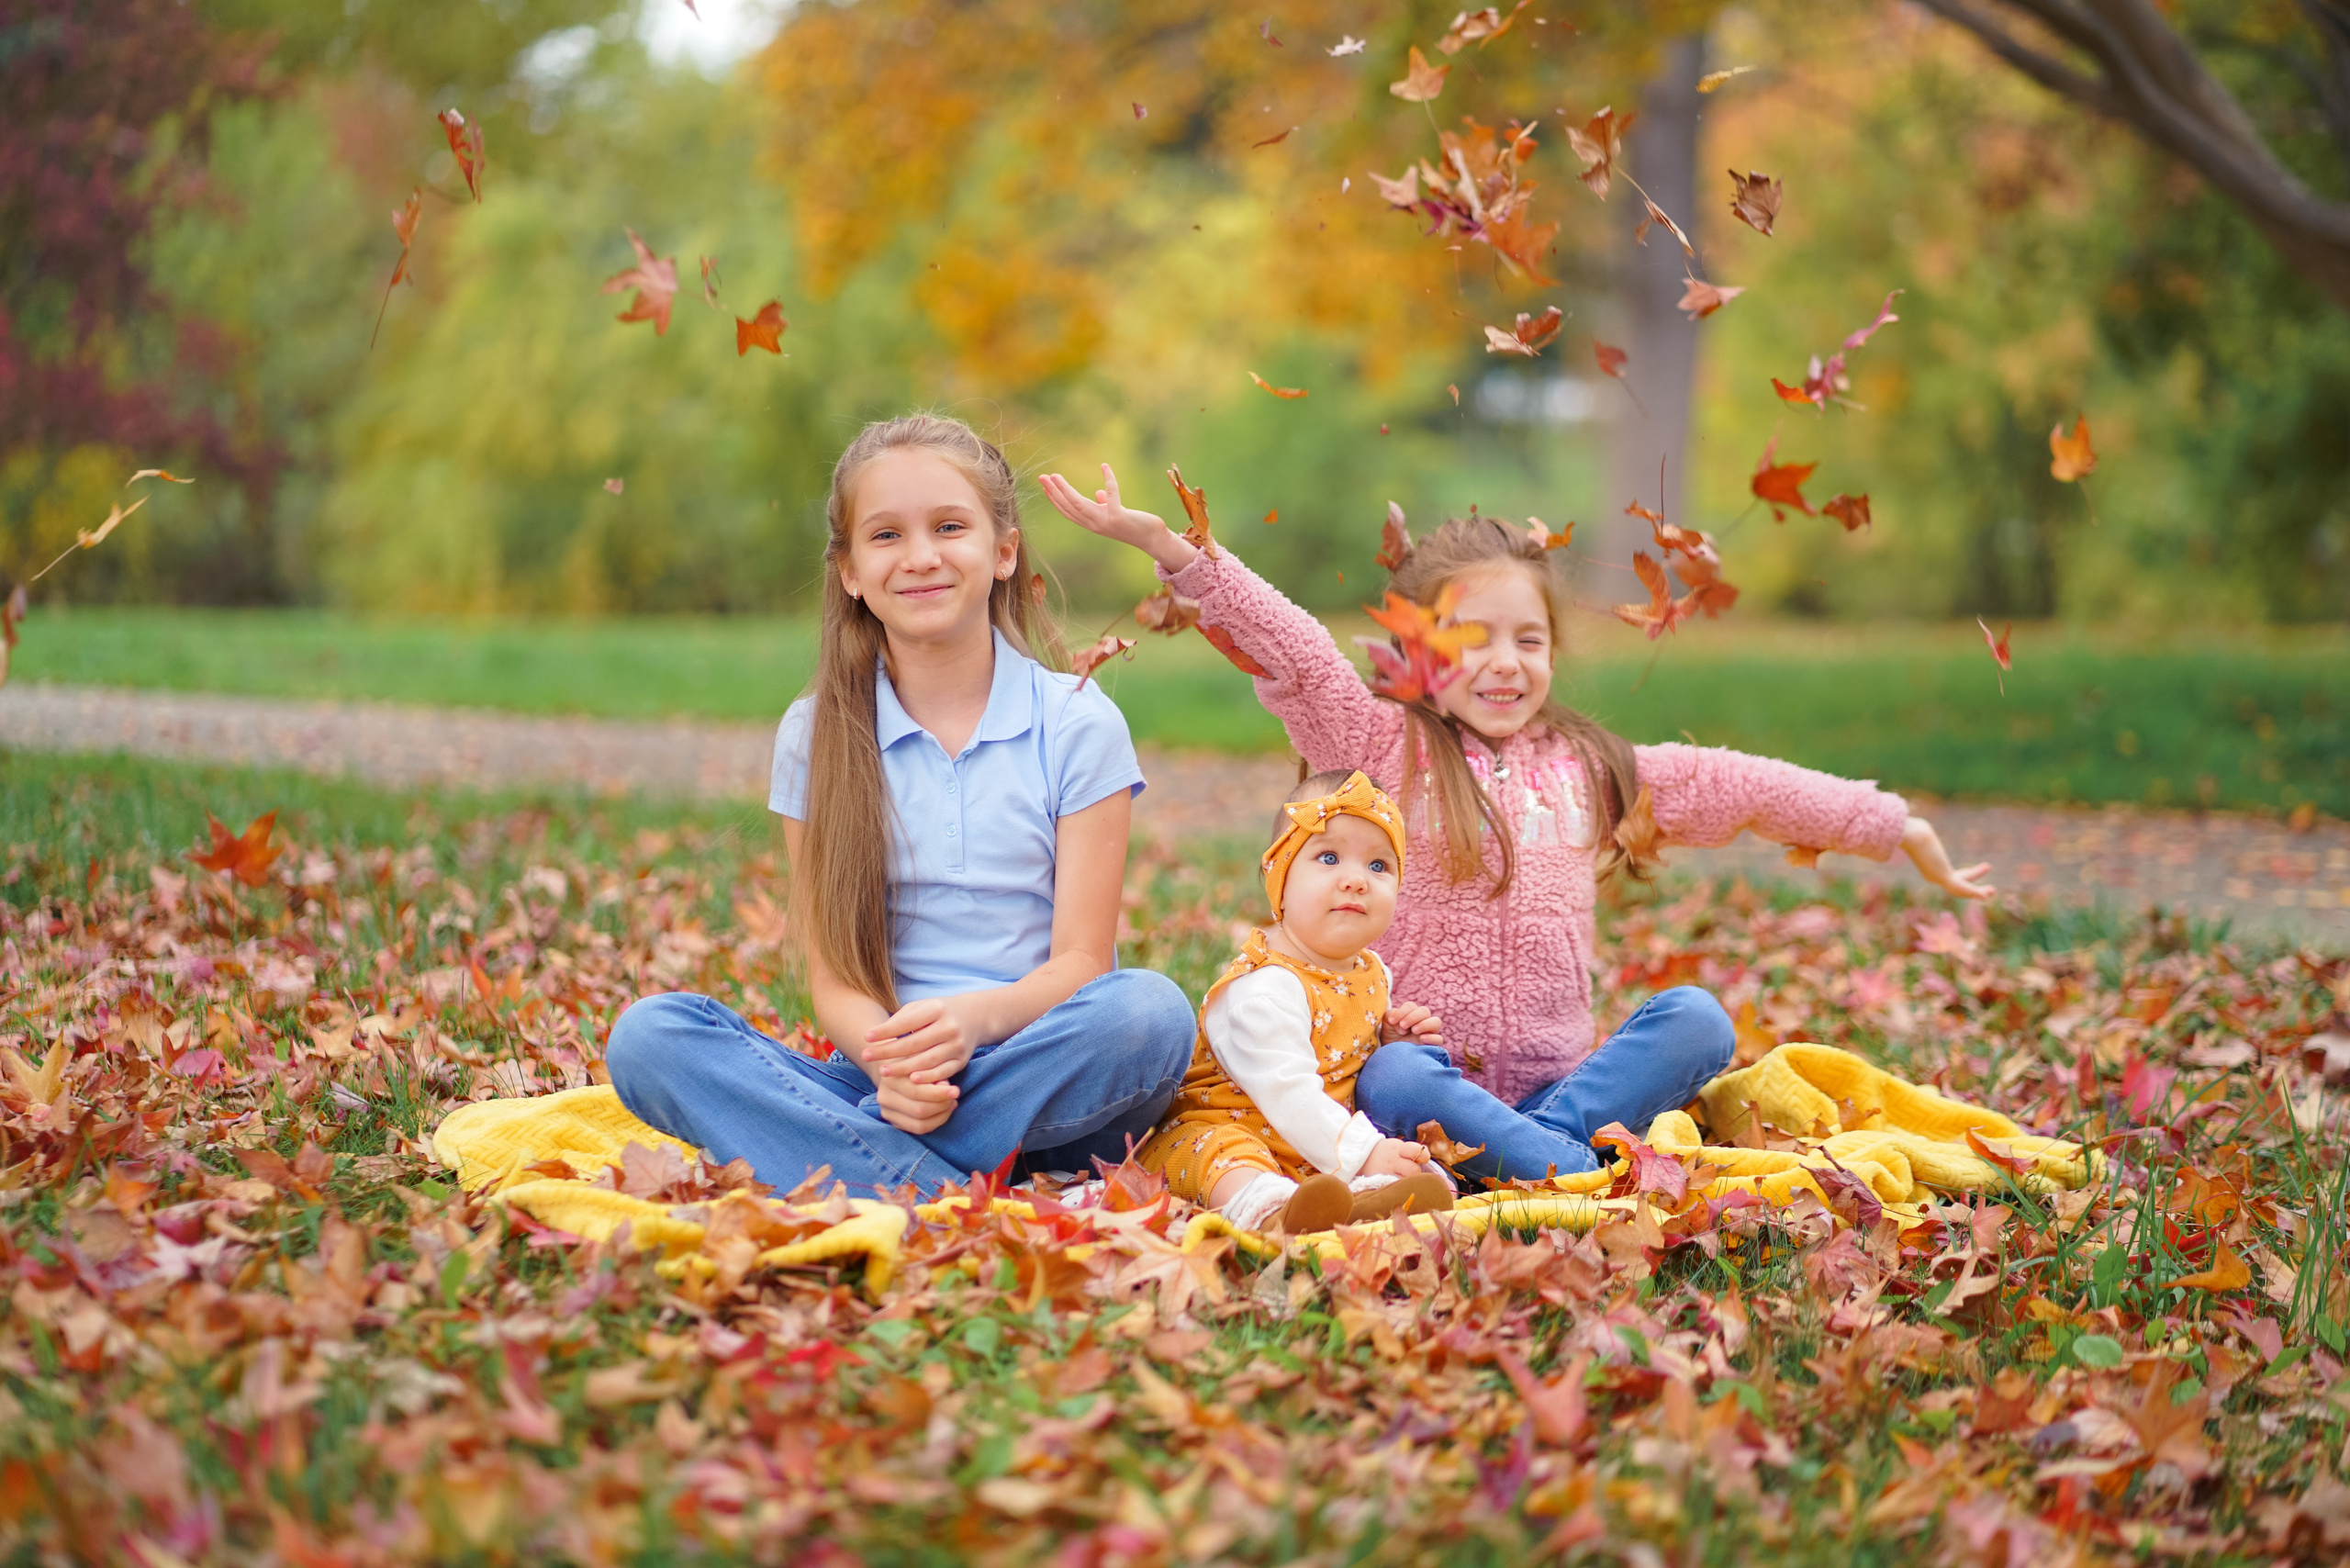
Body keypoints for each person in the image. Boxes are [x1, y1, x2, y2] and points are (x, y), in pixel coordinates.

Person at [1040, 465, 1994, 1182]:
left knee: (1696, 1020)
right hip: (1420, 1089)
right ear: (1418, 651)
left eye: (1527, 639)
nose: (1505, 662)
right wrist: (1177, 552)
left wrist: (1887, 822)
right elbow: (1290, 644)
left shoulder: (1590, 769)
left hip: (1559, 1088)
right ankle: (1570, 1173)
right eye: (1473, 638)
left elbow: (1738, 786)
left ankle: (1534, 1156)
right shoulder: (1379, 744)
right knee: (1395, 1082)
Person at [604, 417, 1197, 1196]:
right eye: (885, 536)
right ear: (849, 570)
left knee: (1151, 1014)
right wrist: (895, 1066)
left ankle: (858, 1169)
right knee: (651, 1038)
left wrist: (972, 1026)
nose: (920, 557)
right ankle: (934, 1186)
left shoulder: (1077, 724)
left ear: (1005, 552)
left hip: (1040, 1070)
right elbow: (834, 979)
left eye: (950, 527)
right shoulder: (816, 733)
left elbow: (1083, 965)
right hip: (880, 1080)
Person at [1138, 769, 1457, 1233]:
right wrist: (1365, 1152)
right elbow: (1288, 1094)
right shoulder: (1263, 987)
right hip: (1227, 1127)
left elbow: (1342, 1064)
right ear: (1279, 882)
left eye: (1378, 866)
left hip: (1313, 1139)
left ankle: (1359, 1199)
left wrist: (1388, 1040)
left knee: (1352, 1161)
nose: (1355, 881)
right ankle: (1268, 1209)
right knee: (1227, 1156)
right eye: (1328, 857)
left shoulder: (1372, 973)